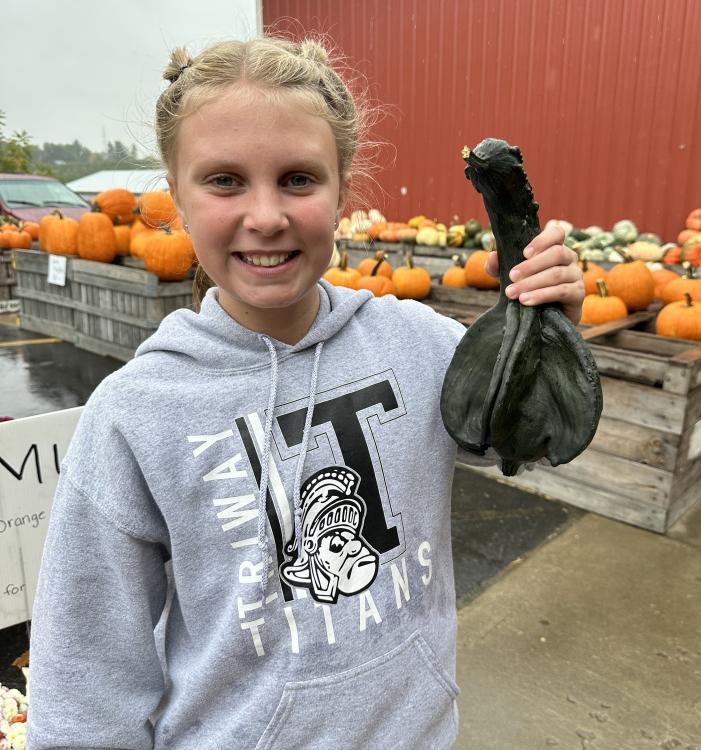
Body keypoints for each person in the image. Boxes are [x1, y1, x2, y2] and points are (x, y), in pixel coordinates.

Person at [27, 35, 584, 750]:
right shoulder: (137, 414)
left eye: (298, 179)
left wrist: (548, 344)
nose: (265, 216)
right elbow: (85, 684)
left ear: (343, 190)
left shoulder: (420, 342)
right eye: (224, 181)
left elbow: (524, 442)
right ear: (176, 200)